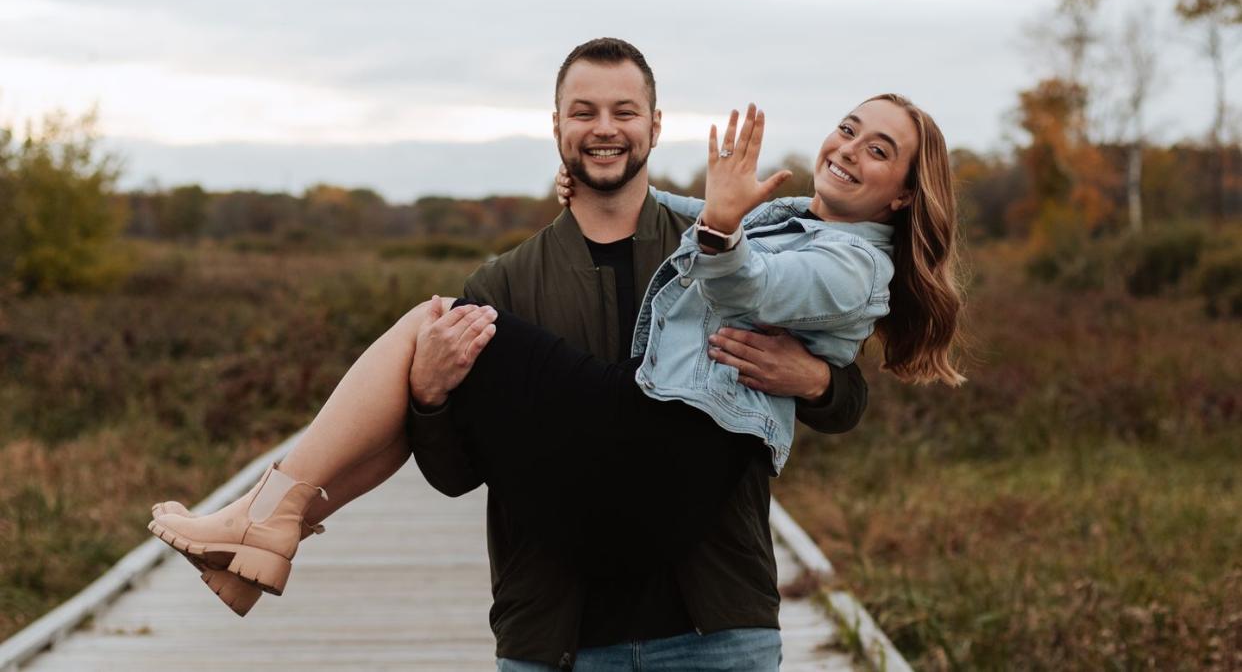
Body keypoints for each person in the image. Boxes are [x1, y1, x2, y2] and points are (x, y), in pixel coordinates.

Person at [148, 39, 965, 669]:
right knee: (436, 336)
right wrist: (431, 397)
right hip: (560, 632)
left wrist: (818, 378)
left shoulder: (731, 242)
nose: (604, 129)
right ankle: (271, 526)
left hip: (712, 618)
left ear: (654, 126)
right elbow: (455, 470)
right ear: (557, 129)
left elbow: (840, 381)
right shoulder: (511, 277)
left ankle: (274, 513)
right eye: (583, 112)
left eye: (622, 111)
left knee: (431, 317)